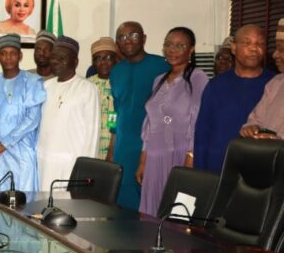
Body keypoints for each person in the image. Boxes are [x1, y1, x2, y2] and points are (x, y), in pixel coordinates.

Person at [135, 27, 209, 216]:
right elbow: (149, 124)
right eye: (168, 44)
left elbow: (198, 121)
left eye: (179, 45)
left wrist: (190, 158)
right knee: (150, 212)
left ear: (191, 49)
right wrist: (143, 161)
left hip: (180, 155)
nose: (172, 50)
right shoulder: (159, 80)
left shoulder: (198, 78)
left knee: (176, 214)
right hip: (154, 156)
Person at [194, 24, 275, 173]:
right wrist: (200, 171)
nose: (253, 48)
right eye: (246, 43)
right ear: (233, 47)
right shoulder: (216, 85)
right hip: (218, 168)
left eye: (260, 43)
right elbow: (202, 132)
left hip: (260, 171)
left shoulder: (275, 84)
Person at [108, 21, 169, 210]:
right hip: (123, 150)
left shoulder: (161, 66)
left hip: (151, 149)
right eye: (122, 37)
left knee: (150, 209)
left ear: (144, 38)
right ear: (117, 43)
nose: (128, 41)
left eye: (134, 35)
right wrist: (111, 153)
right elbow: (116, 113)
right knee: (122, 209)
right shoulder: (116, 71)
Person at [0, 34, 45, 192]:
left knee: (20, 205)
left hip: (20, 152)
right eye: (4, 53)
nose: (8, 57)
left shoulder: (33, 82)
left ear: (20, 56)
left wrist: (5, 144)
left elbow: (32, 119)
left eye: (13, 53)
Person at [37, 36, 100, 193]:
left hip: (70, 164)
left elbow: (92, 134)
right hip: (44, 163)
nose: (55, 61)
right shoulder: (46, 87)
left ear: (75, 62)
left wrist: (85, 171)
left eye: (62, 58)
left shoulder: (87, 88)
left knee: (67, 212)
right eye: (53, 57)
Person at [240, 18, 284, 139]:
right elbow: (256, 119)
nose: (275, 55)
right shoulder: (276, 83)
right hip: (267, 156)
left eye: (281, 50)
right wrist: (251, 128)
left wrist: (278, 140)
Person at [88, 37, 118, 160]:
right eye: (98, 58)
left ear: (116, 60)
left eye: (108, 58)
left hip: (116, 144)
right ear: (93, 62)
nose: (103, 62)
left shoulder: (122, 82)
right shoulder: (87, 85)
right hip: (92, 145)